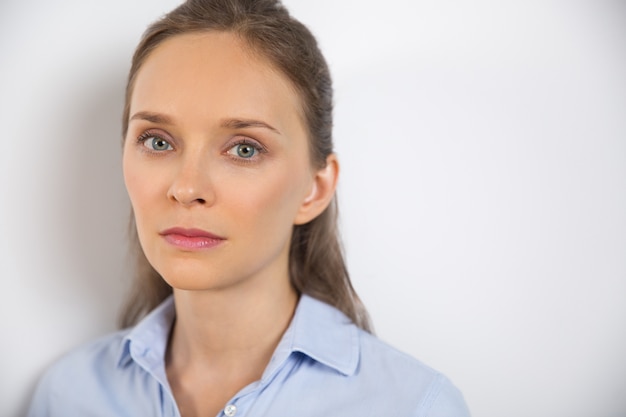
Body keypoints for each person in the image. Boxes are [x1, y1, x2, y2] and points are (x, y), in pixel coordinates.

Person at [28, 0, 471, 416]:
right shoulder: (69, 394)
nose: (186, 188)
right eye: (158, 141)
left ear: (314, 189)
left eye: (244, 149)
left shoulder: (413, 406)